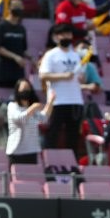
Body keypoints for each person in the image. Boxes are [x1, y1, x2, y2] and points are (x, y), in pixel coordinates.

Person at [38, 24, 84, 153]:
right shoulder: (51, 55)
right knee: (53, 132)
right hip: (57, 100)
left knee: (73, 135)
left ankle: (72, 161)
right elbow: (43, 75)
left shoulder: (75, 55)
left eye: (68, 34)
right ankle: (50, 159)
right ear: (56, 37)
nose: (66, 37)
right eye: (63, 34)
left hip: (75, 100)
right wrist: (63, 76)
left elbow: (81, 76)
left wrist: (81, 77)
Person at [7, 80, 55, 166]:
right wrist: (33, 107)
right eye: (24, 88)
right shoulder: (12, 106)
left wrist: (51, 102)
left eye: (28, 89)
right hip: (16, 151)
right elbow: (20, 119)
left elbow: (43, 118)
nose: (26, 91)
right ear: (17, 91)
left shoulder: (31, 109)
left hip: (32, 151)